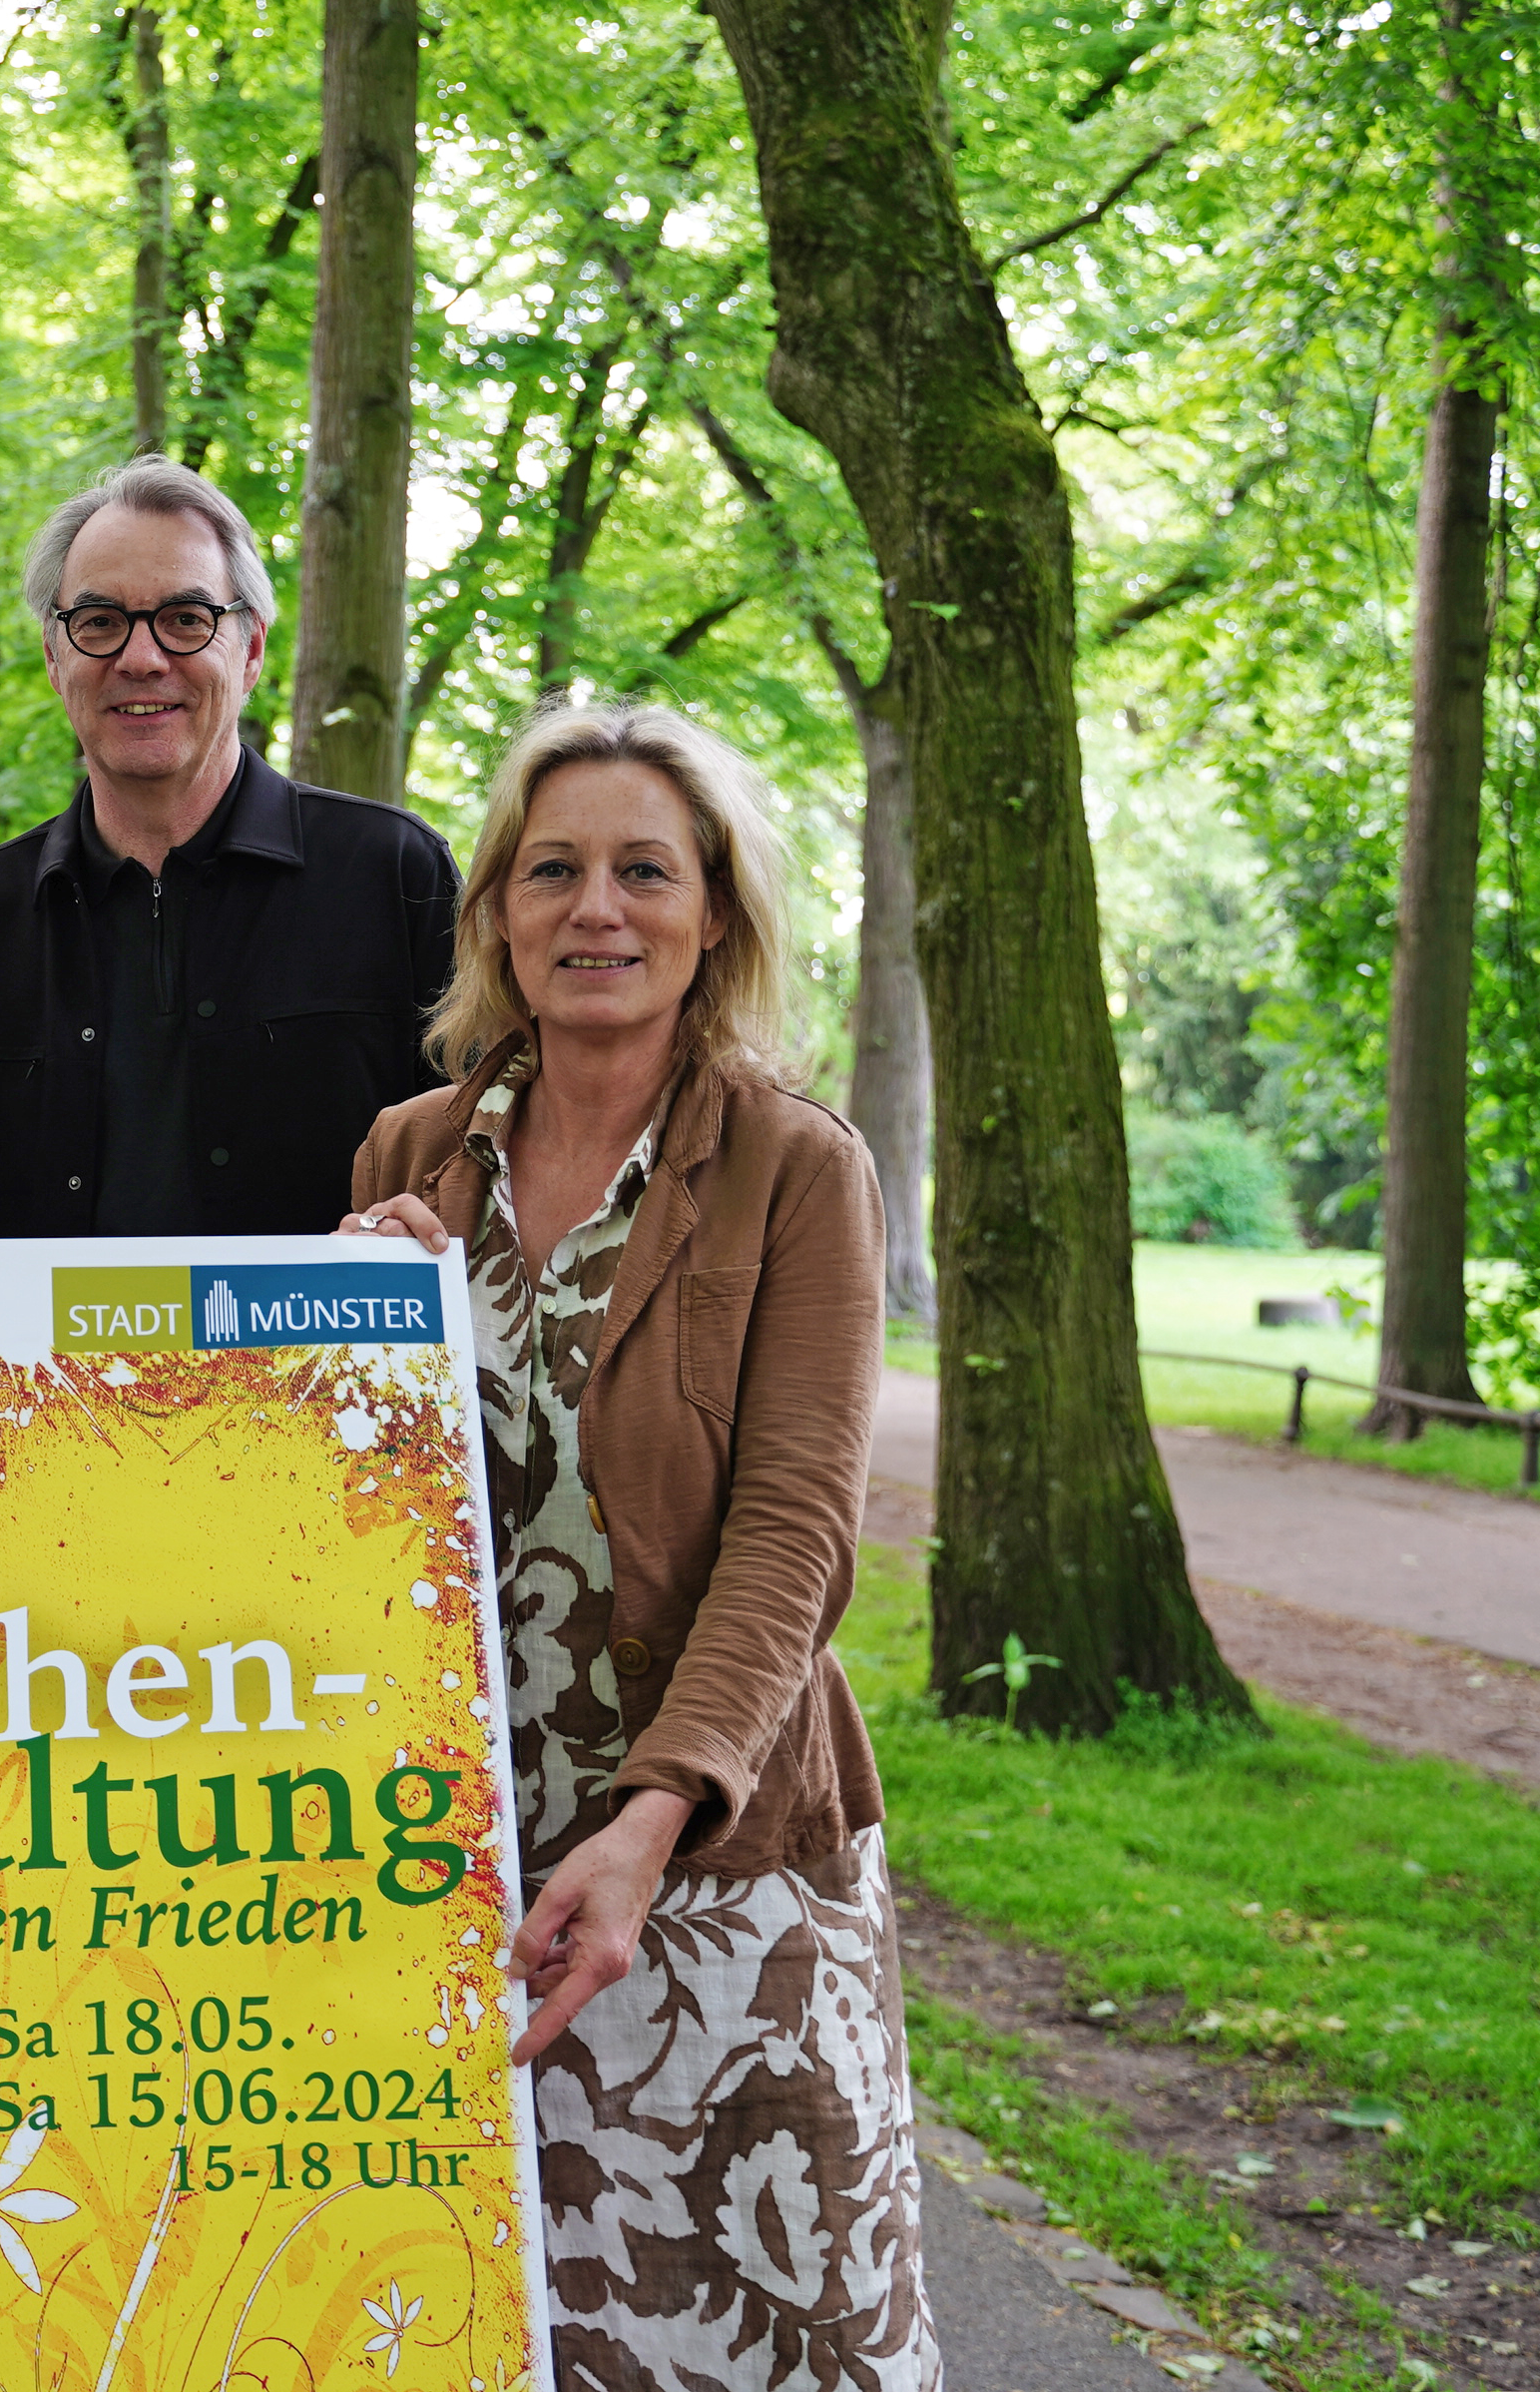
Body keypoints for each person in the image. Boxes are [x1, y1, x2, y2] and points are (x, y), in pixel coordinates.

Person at [337, 701, 934, 2387]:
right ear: (498, 918)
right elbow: (339, 1512)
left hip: (713, 1863)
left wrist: (651, 1821)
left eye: (642, 870)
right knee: (496, 2319)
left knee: (758, 2326)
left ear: (714, 914)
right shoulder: (409, 1151)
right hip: (458, 1859)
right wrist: (330, 1326)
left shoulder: (796, 1163)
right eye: (553, 870)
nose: (596, 907)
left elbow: (798, 1538)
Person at [0, 456, 460, 1237]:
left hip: (327, 1361)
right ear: (54, 658)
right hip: (39, 1365)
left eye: (186, 619)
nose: (140, 657)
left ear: (252, 649)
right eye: (98, 622)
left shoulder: (394, 877)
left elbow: (486, 1184)